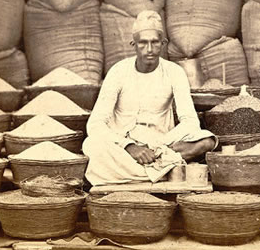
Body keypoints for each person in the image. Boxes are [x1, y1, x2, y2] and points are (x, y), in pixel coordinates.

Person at [82, 10, 216, 185]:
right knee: (92, 145)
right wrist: (128, 146)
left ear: (163, 43)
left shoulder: (174, 72)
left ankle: (143, 170)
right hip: (122, 144)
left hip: (160, 144)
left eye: (155, 42)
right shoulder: (118, 71)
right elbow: (95, 124)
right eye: (143, 43)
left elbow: (190, 121)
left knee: (207, 141)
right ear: (134, 44)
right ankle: (165, 169)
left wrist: (158, 145)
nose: (150, 49)